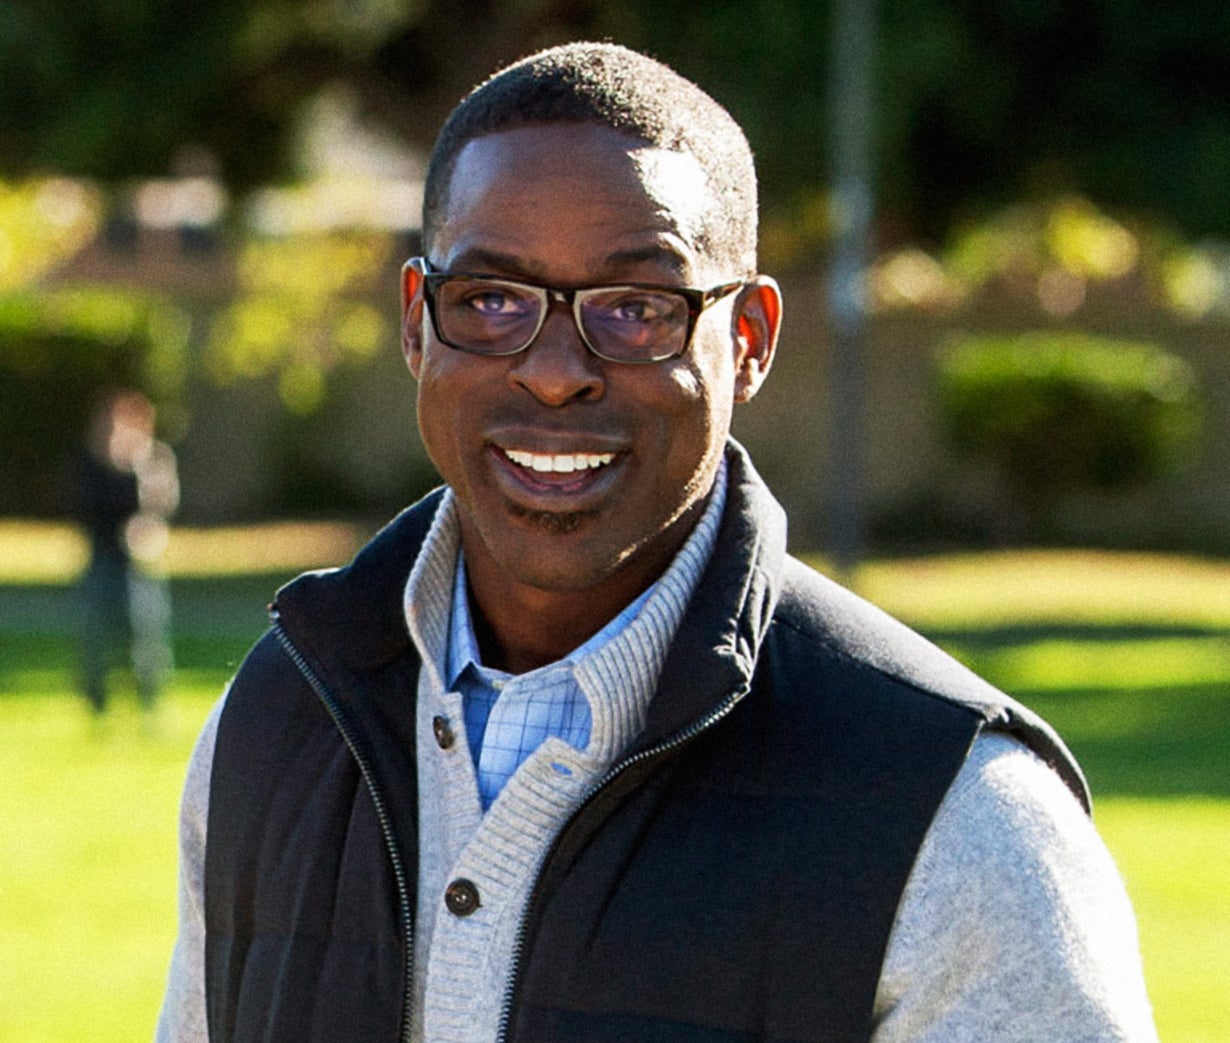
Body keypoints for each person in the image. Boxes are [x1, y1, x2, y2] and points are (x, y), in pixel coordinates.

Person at [156, 42, 1158, 1043]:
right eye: (492, 300)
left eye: (637, 309)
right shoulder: (275, 723)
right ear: (420, 322)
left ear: (751, 339)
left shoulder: (957, 816)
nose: (555, 372)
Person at [74, 388, 178, 717]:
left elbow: (161, 504)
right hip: (102, 559)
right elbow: (84, 508)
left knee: (146, 639)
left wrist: (138, 464)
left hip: (139, 564)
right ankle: (97, 704)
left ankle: (149, 704)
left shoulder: (153, 459)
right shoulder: (91, 460)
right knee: (96, 639)